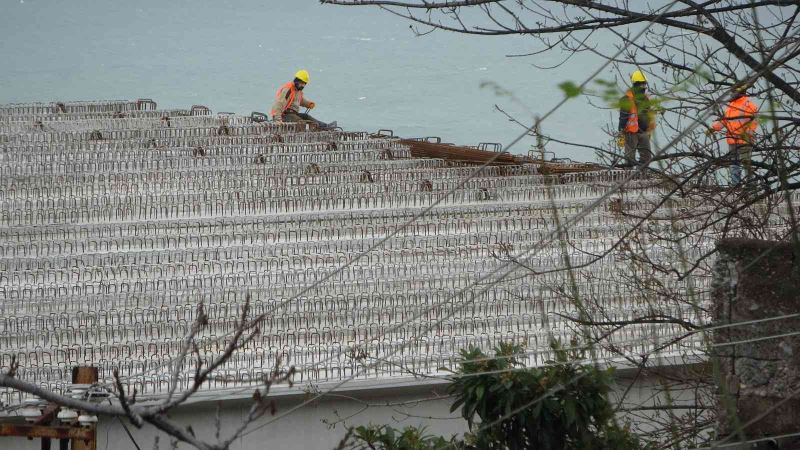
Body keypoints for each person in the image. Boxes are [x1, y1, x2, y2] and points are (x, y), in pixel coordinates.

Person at [708, 84, 758, 185]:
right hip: (732, 140)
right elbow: (725, 121)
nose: (731, 94)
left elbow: (754, 122)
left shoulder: (749, 105)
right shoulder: (731, 105)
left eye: (733, 92)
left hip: (745, 141)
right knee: (734, 165)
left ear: (739, 93)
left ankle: (751, 186)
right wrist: (713, 129)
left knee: (746, 164)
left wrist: (747, 134)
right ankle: (736, 187)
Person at [270, 69, 336, 129]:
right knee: (301, 122)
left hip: (292, 114)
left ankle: (325, 126)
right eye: (302, 83)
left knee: (306, 116)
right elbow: (279, 104)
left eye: (304, 84)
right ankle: (305, 134)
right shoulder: (288, 89)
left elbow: (300, 100)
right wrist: (278, 119)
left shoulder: (298, 90)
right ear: (297, 81)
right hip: (284, 115)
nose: (303, 85)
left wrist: (308, 104)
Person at [617, 70, 657, 167]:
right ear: (636, 84)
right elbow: (623, 116)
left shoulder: (646, 99)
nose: (644, 87)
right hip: (631, 133)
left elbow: (649, 115)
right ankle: (628, 178)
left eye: (645, 85)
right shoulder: (626, 99)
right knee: (630, 159)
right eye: (642, 85)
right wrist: (621, 131)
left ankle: (642, 178)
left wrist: (650, 129)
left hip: (643, 132)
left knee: (646, 158)